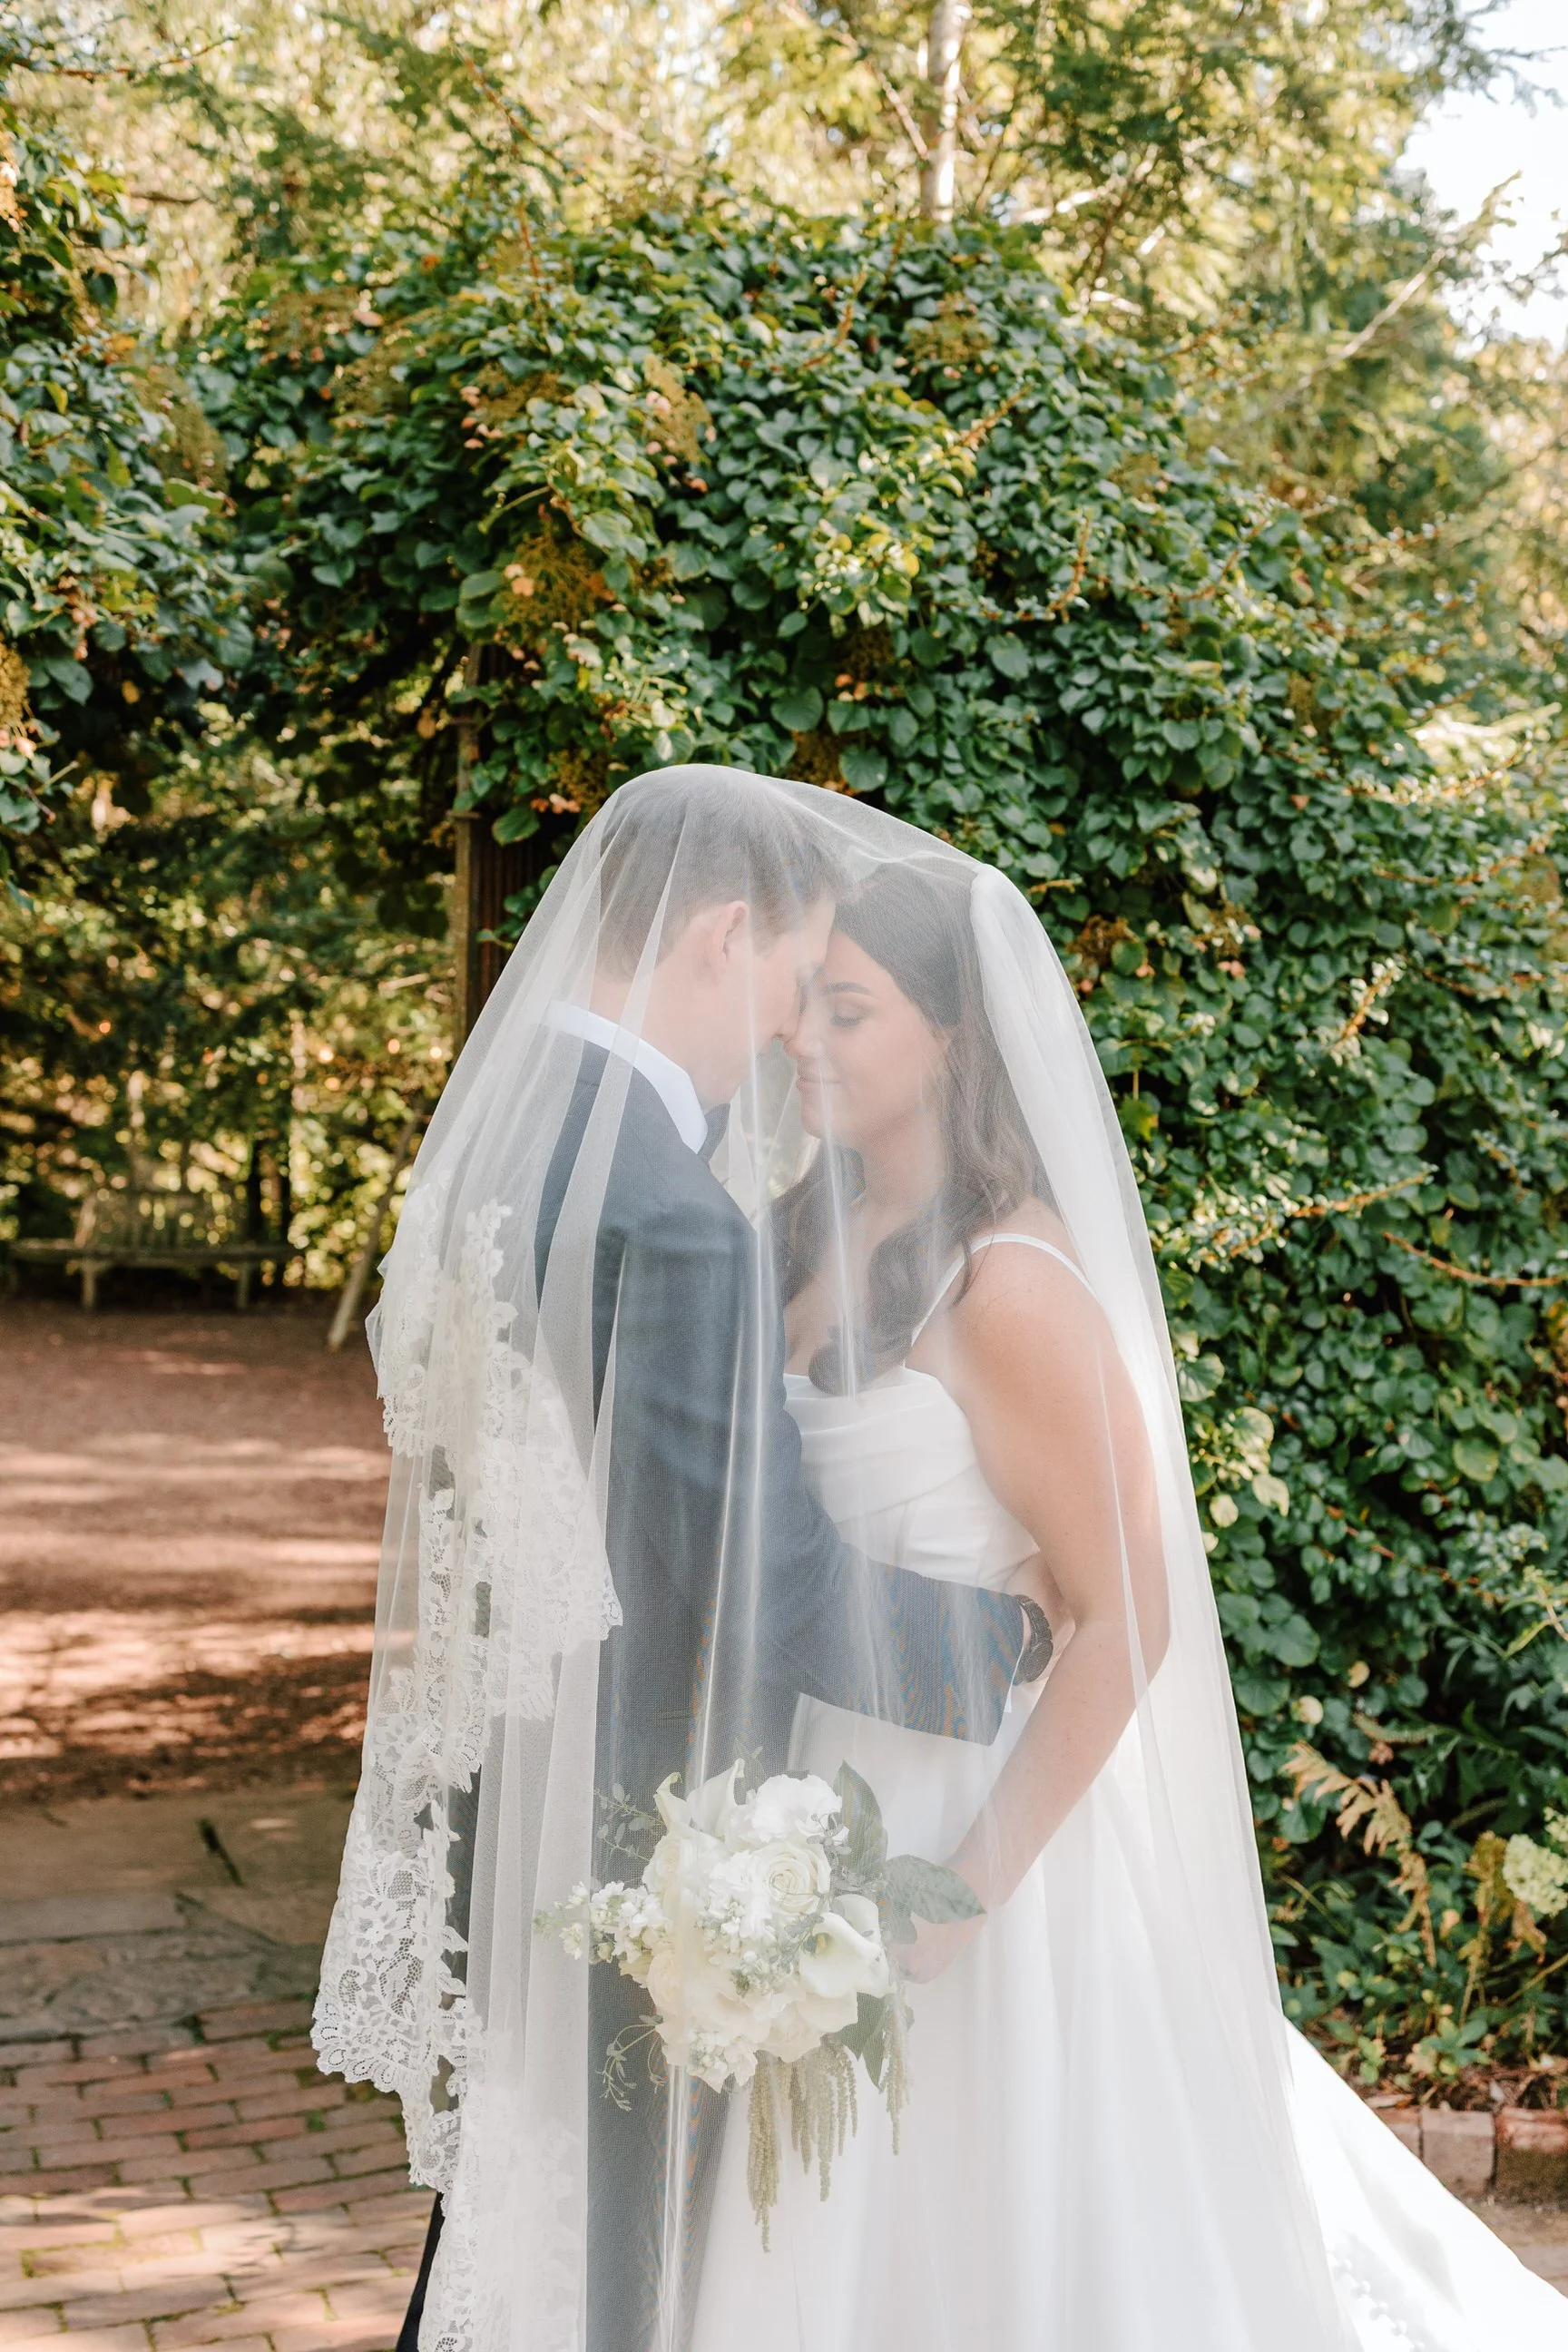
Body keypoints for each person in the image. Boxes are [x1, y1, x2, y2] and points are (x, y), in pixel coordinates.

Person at [690, 851, 1568, 2352]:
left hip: (984, 1840)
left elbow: (1126, 1622)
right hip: (809, 1805)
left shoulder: (1006, 1285)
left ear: (954, 1035)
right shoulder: (788, 1238)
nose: (803, 1040)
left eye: (851, 1011)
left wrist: (956, 1902)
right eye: (803, 1009)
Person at [312, 772, 1049, 2352]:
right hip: (646, 1824)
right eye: (794, 982)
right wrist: (1009, 1639)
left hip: (516, 1783)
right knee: (612, 2266)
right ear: (725, 935)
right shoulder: (683, 1218)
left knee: (514, 2235)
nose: (789, 1035)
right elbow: (760, 1587)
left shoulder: (494, 1164)